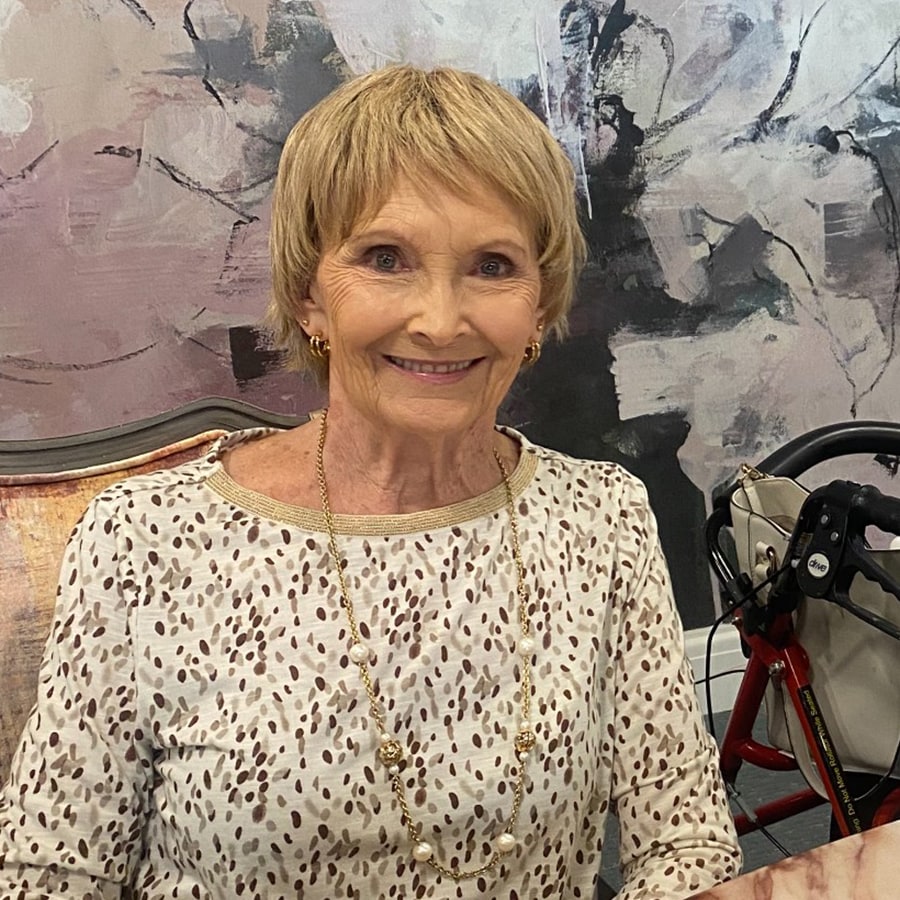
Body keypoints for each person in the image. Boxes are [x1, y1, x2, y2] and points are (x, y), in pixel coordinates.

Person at [0, 65, 741, 898]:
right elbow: (51, 873)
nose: (440, 321)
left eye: (493, 265)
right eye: (385, 259)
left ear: (539, 305)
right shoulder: (144, 537)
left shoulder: (602, 518)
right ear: (309, 295)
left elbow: (685, 845)